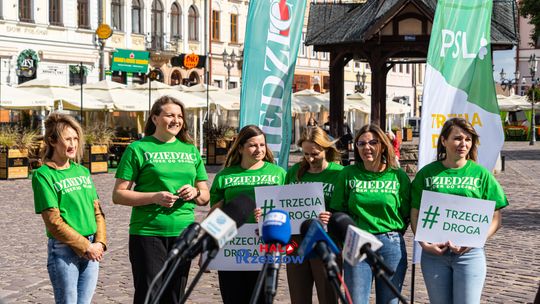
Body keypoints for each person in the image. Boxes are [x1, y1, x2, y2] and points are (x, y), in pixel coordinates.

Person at [112, 96, 210, 304]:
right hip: (148, 232)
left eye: (179, 116)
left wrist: (195, 192)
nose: (176, 120)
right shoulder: (138, 149)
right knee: (149, 295)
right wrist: (154, 197)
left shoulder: (191, 151)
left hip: (184, 233)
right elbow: (118, 194)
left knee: (176, 296)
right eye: (170, 115)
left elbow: (205, 195)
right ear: (155, 118)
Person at [410, 118, 508, 304]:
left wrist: (477, 239)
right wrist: (423, 243)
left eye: (468, 139)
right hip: (434, 255)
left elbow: (496, 217)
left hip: (469, 254)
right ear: (444, 141)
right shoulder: (427, 174)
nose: (463, 144)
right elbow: (415, 212)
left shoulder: (481, 174)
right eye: (457, 138)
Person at [330, 124, 410, 304]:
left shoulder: (397, 176)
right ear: (356, 147)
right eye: (361, 143)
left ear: (383, 145)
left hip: (391, 243)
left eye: (373, 142)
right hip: (357, 241)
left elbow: (406, 213)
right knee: (355, 300)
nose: (367, 147)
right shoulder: (348, 173)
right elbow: (338, 209)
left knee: (389, 301)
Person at [32, 113, 107, 304]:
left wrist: (100, 242)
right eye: (67, 139)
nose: (73, 144)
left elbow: (97, 210)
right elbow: (53, 222)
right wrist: (85, 246)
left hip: (92, 247)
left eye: (76, 138)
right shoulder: (43, 175)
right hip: (64, 250)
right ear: (53, 141)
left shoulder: (82, 171)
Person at [210, 125, 286, 304]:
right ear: (240, 147)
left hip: (264, 247)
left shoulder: (279, 174)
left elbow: (287, 209)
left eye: (262, 145)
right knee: (233, 298)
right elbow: (216, 215)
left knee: (262, 299)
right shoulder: (224, 176)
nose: (259, 150)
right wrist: (208, 250)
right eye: (253, 145)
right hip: (231, 247)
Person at [286, 126, 343, 304]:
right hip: (296, 241)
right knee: (299, 296)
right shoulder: (294, 172)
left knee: (328, 296)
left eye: (315, 154)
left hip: (326, 241)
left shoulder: (339, 173)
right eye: (306, 154)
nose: (310, 159)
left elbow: (346, 208)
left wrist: (332, 216)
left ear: (326, 149)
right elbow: (283, 202)